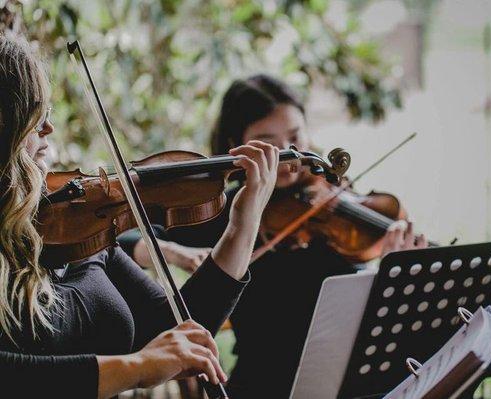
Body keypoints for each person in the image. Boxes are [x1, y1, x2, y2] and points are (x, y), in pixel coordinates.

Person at [0, 34, 281, 398]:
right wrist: (135, 368)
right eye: (34, 114)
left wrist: (244, 223)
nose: (48, 128)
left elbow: (175, 328)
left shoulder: (74, 227)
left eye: (47, 114)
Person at [120, 74, 428, 397]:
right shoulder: (227, 213)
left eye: (295, 136)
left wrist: (393, 272)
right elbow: (122, 239)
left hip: (346, 382)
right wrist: (172, 251)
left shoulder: (333, 196)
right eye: (269, 143)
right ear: (235, 146)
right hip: (265, 384)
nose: (288, 153)